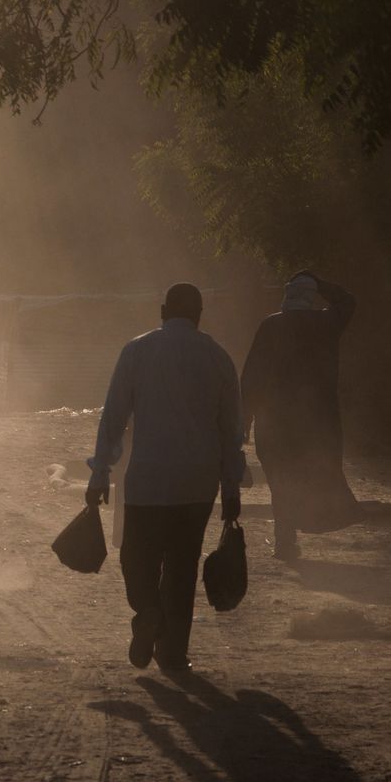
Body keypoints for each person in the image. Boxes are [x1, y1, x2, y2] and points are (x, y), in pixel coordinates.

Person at [86, 283, 244, 671]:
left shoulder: (137, 350)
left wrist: (100, 472)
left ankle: (147, 611)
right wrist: (230, 486)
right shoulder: (219, 357)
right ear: (199, 314)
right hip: (197, 484)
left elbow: (114, 416)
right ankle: (173, 653)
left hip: (147, 481)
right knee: (183, 566)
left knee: (137, 560)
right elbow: (231, 431)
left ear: (162, 311)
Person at [241, 271, 360, 560]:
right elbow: (348, 301)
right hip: (317, 422)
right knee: (312, 475)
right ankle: (302, 526)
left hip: (275, 421)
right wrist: (320, 282)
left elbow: (252, 376)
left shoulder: (271, 325)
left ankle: (285, 538)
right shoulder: (326, 323)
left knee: (280, 480)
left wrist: (245, 418)